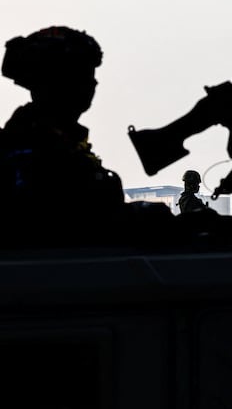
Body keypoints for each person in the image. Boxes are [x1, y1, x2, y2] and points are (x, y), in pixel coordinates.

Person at [0, 25, 172, 247]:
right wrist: (143, 216)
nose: (92, 84)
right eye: (81, 75)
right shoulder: (28, 153)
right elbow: (67, 227)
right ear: (52, 81)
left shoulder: (59, 142)